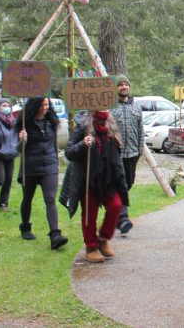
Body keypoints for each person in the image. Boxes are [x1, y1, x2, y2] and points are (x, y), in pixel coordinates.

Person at [62, 110, 129, 263]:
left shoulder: (111, 124)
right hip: (88, 178)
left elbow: (117, 152)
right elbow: (69, 153)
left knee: (116, 205)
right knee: (89, 213)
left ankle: (103, 238)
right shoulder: (82, 124)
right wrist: (83, 144)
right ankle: (91, 247)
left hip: (108, 178)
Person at [15, 97, 68, 250]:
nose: (45, 108)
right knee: (27, 198)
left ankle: (55, 235)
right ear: (34, 106)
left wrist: (56, 161)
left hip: (49, 166)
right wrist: (22, 140)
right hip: (30, 166)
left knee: (50, 199)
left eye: (47, 105)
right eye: (42, 105)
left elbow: (54, 144)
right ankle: (25, 227)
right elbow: (18, 149)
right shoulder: (25, 124)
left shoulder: (52, 123)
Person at [110, 74, 143, 235]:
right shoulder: (111, 107)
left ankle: (117, 215)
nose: (124, 87)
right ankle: (123, 218)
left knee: (128, 184)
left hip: (133, 153)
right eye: (120, 85)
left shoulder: (136, 107)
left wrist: (140, 151)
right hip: (116, 154)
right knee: (120, 185)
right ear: (116, 88)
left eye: (126, 84)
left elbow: (141, 130)